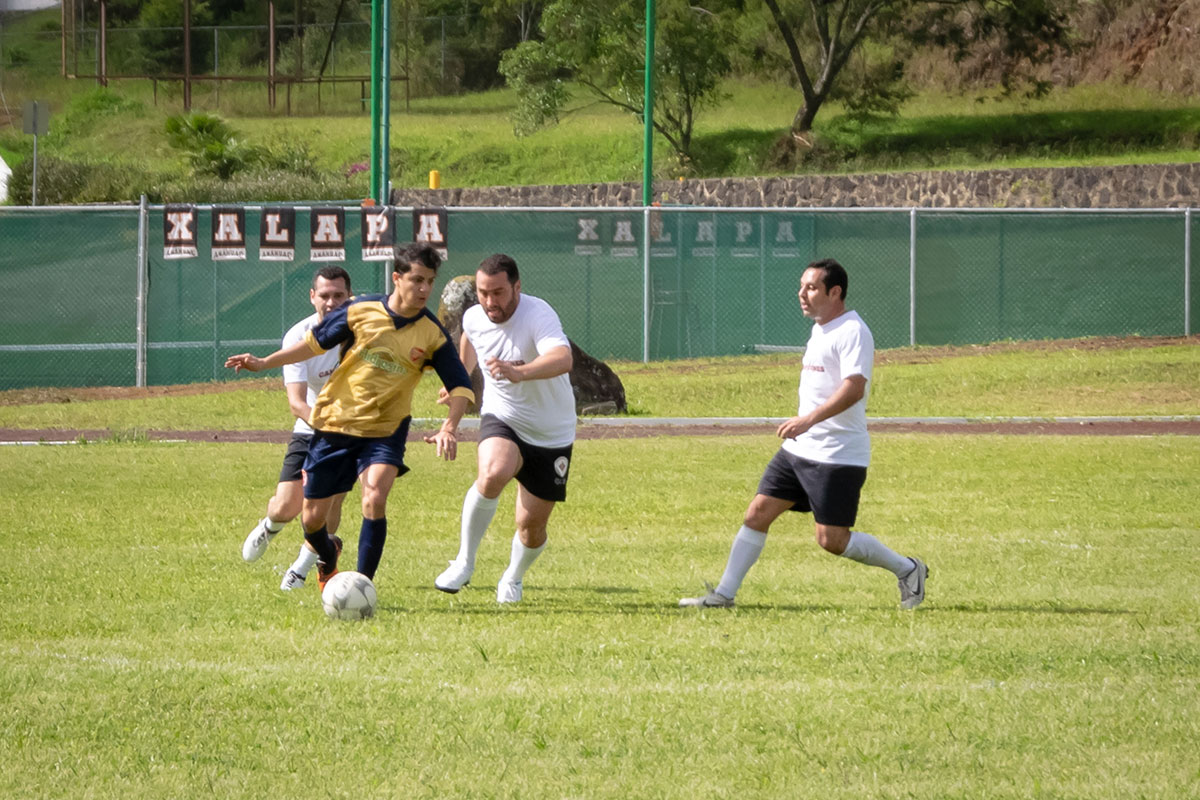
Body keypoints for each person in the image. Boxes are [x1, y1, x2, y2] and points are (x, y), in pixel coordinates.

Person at [680, 259, 928, 610]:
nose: (802, 294)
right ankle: (723, 595)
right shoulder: (820, 328)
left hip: (837, 454)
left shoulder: (853, 331)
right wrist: (805, 427)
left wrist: (808, 420)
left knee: (832, 540)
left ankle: (908, 569)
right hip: (799, 450)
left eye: (811, 287)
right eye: (802, 286)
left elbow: (854, 388)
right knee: (757, 513)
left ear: (835, 292)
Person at [226, 242, 475, 590]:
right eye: (416, 279)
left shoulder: (432, 334)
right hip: (334, 424)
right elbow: (314, 343)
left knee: (374, 495)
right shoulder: (360, 310)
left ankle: (362, 584)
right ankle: (328, 555)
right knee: (312, 520)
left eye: (430, 281)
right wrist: (265, 362)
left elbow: (461, 386)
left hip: (386, 430)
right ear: (397, 277)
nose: (423, 289)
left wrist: (450, 426)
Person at [433, 253, 576, 603]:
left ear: (517, 287)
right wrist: (460, 376)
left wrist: (520, 372)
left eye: (498, 292)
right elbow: (470, 339)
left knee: (530, 527)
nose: (489, 301)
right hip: (503, 416)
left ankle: (513, 577)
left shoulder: (538, 314)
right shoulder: (474, 316)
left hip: (551, 431)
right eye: (483, 292)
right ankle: (464, 562)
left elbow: (563, 358)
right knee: (493, 472)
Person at [240, 266, 352, 591]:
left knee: (332, 501)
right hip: (312, 424)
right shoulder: (297, 337)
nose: (332, 302)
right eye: (325, 295)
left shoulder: (364, 331)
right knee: (287, 506)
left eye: (339, 296)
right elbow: (297, 404)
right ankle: (270, 526)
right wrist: (329, 428)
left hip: (353, 429)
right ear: (313, 297)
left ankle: (302, 568)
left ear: (349, 297)